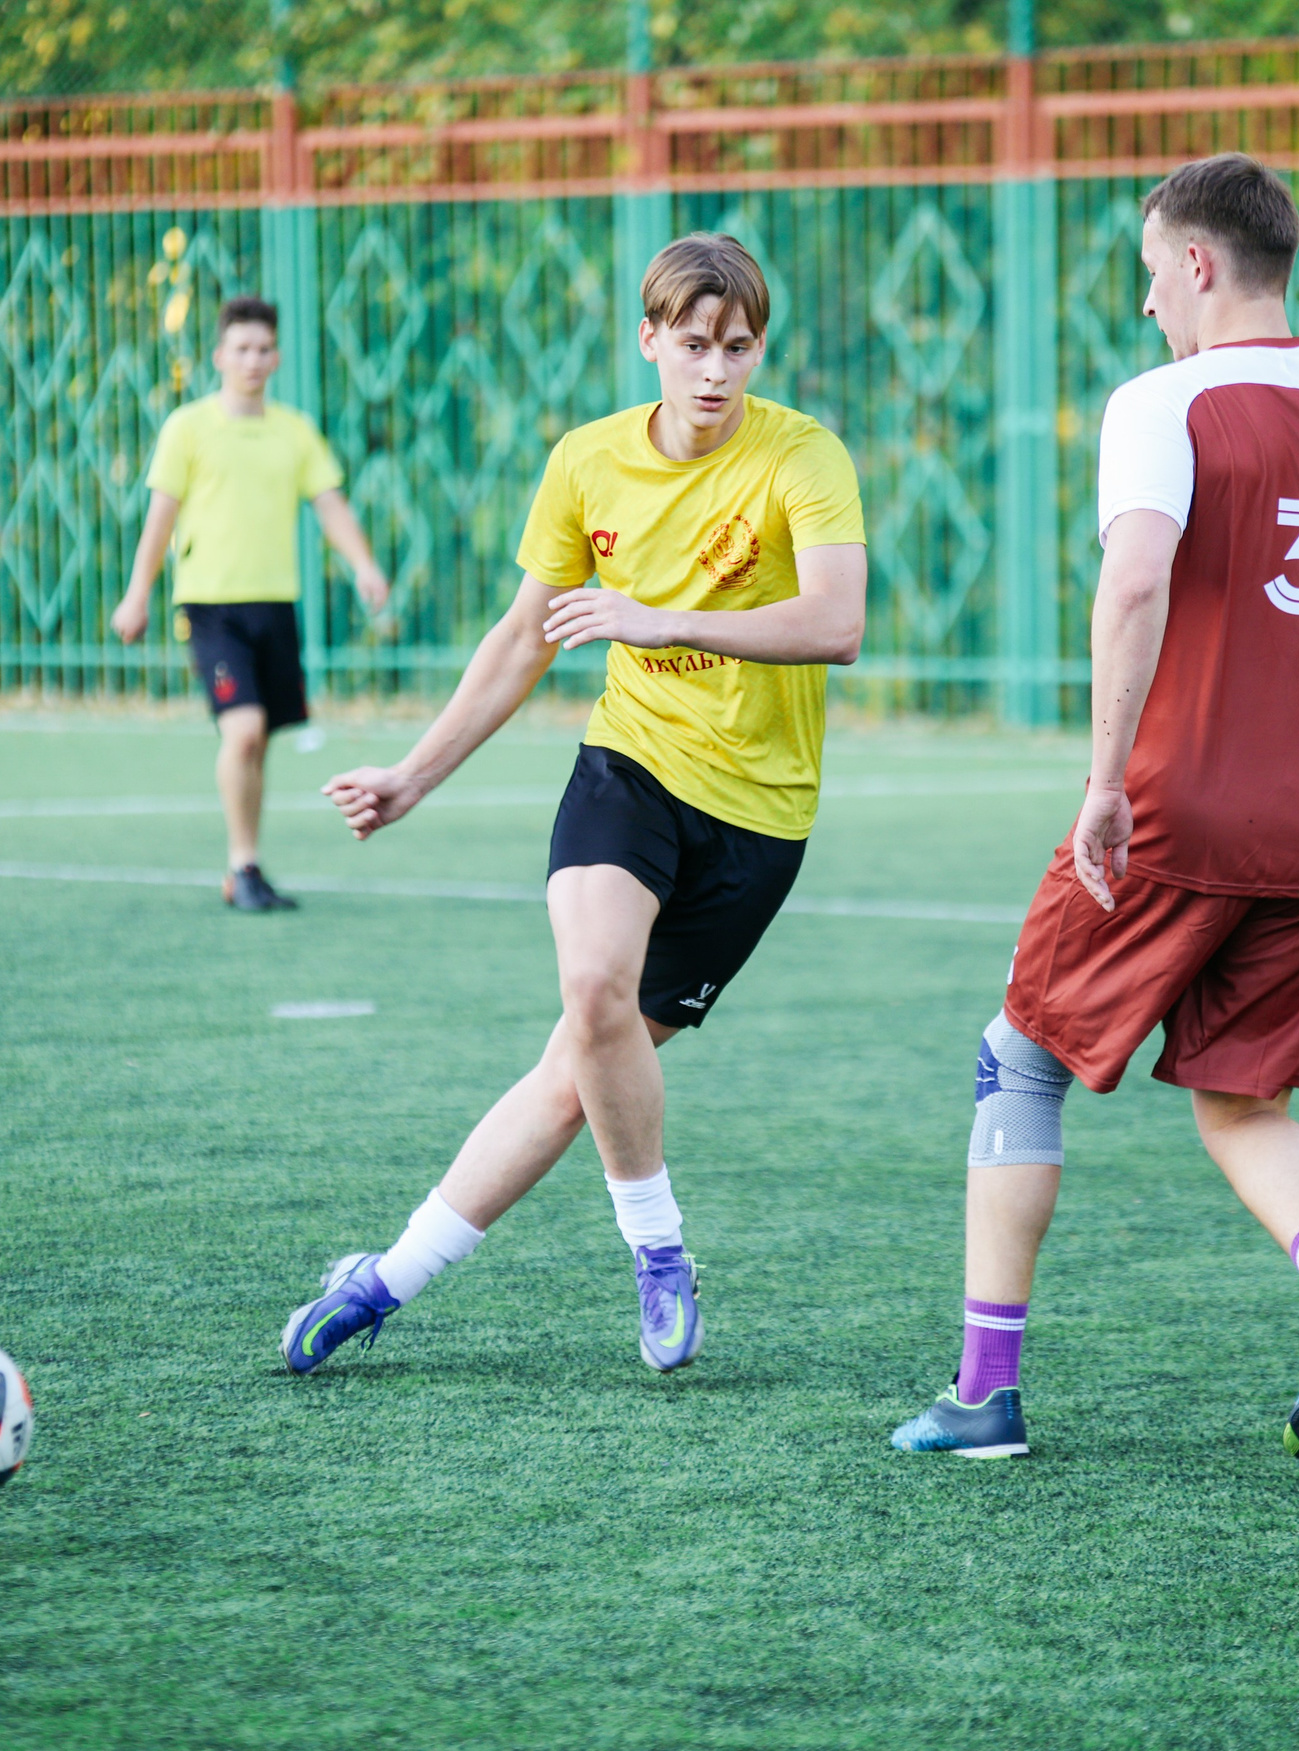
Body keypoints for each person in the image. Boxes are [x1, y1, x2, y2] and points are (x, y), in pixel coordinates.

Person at [889, 154, 1299, 1463]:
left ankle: (986, 1393)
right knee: (1242, 1097)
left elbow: (1135, 581)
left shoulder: (1163, 403)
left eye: (1154, 274)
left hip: (1179, 810)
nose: (1149, 303)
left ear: (1200, 265)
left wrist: (1105, 779)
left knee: (1020, 1052)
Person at [278, 233, 866, 1378]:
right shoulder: (586, 461)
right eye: (692, 345)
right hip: (628, 769)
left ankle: (385, 1277)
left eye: (737, 348)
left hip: (759, 818)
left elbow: (836, 623)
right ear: (647, 339)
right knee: (590, 983)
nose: (714, 371)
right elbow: (520, 637)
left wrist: (662, 618)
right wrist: (413, 772)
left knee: (571, 1071)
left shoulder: (804, 458)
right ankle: (658, 1252)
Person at [111, 295, 391, 912]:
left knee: (259, 739)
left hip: (274, 605)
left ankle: (248, 867)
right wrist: (137, 595)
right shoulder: (188, 427)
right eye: (241, 348)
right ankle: (242, 865)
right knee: (243, 732)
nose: (253, 359)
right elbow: (162, 515)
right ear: (219, 356)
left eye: (263, 349)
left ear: (277, 356)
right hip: (211, 607)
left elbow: (329, 504)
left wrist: (364, 565)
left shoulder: (294, 431)